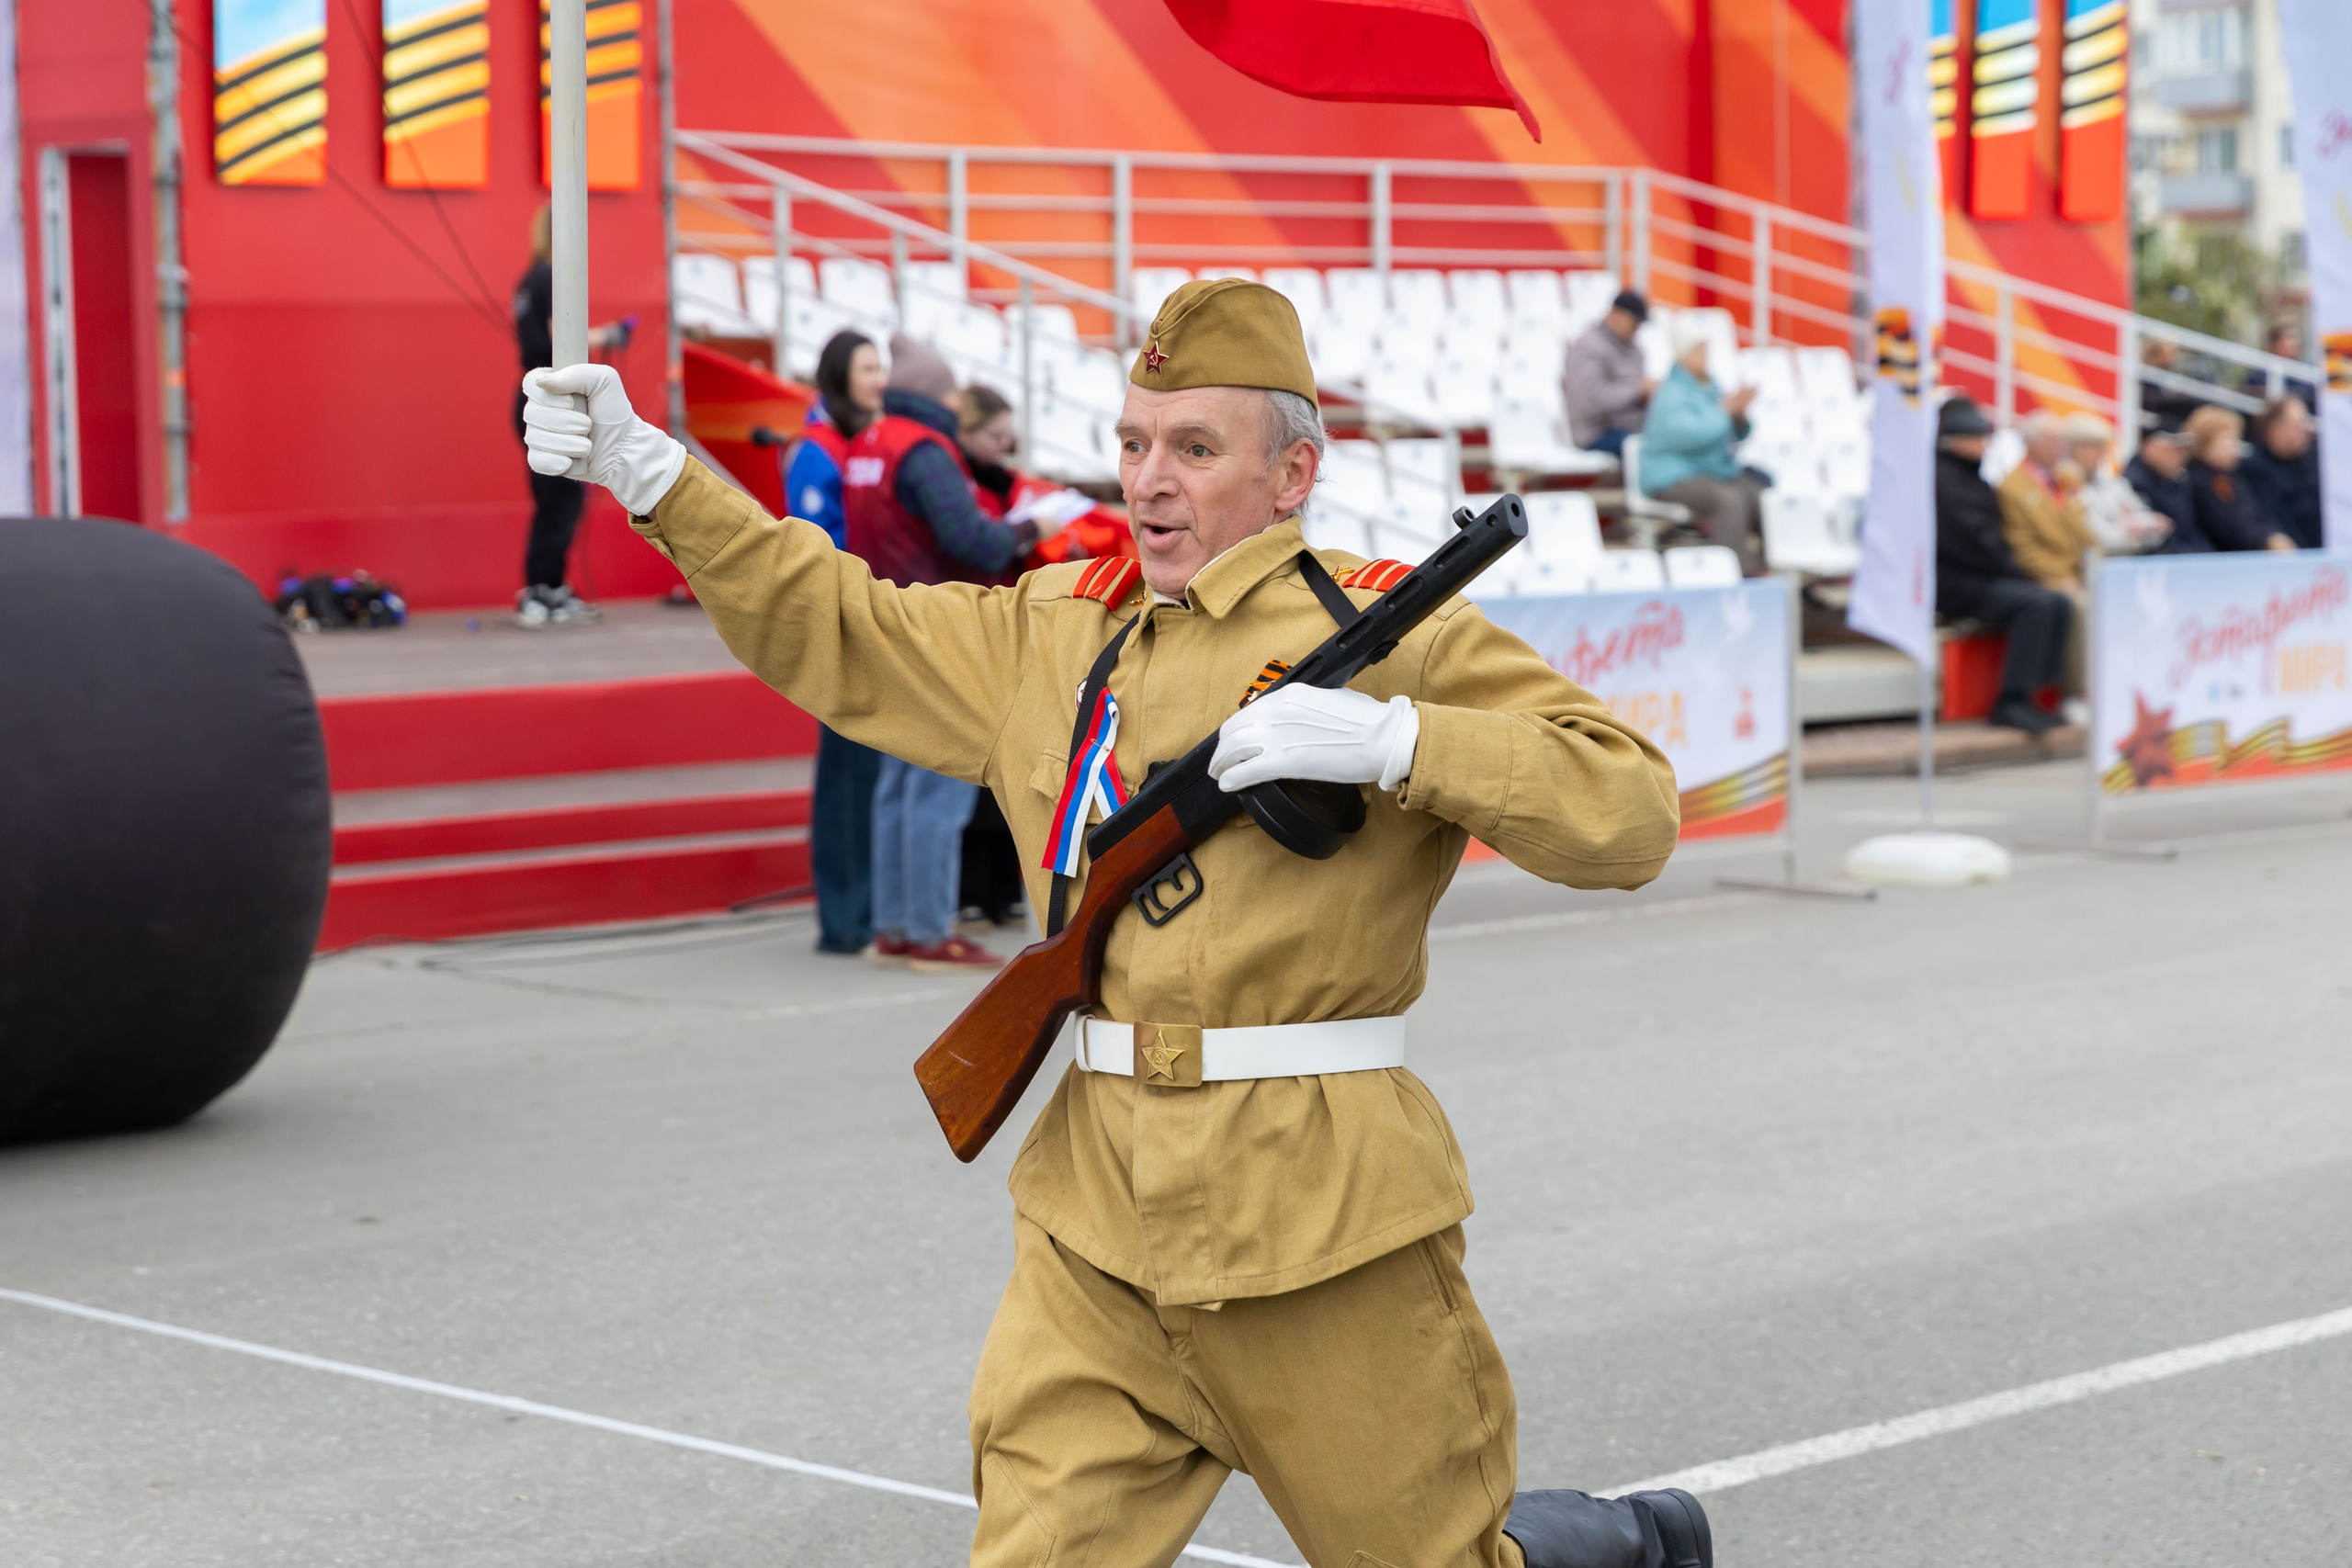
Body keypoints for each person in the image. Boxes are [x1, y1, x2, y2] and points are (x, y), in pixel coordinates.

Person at [522, 278, 1709, 1568]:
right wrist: (656, 474)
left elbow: (1631, 809)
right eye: (1134, 442)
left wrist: (1402, 739)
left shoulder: (1386, 634)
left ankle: (1604, 1547)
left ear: (1292, 471)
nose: (1150, 481)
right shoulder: (1059, 628)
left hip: (1316, 1223)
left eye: (1195, 449)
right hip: (1096, 1225)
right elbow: (843, 627)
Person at [850, 337, 1060, 972]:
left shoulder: (871, 441)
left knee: (896, 785)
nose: (953, 404)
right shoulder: (925, 449)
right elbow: (972, 540)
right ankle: (930, 930)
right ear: (930, 394)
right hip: (934, 627)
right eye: (948, 393)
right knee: (938, 786)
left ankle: (893, 926)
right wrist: (1032, 528)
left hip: (881, 616)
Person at [793, 331, 890, 954]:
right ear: (839, 375)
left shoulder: (863, 441)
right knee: (846, 780)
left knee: (869, 775)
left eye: (881, 366)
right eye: (867, 367)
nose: (880, 377)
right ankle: (844, 917)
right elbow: (814, 548)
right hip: (839, 628)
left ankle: (866, 909)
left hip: (870, 623)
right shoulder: (815, 452)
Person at [509, 205, 627, 628]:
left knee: (557, 498)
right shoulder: (547, 279)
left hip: (536, 396)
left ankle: (549, 587)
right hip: (548, 399)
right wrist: (609, 336)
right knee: (558, 499)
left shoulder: (529, 281)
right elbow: (561, 338)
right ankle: (542, 590)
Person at [1933, 398, 2070, 735]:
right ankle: (2012, 701)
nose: (1986, 444)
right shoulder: (1944, 480)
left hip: (1978, 576)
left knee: (2056, 601)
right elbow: (1972, 546)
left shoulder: (1968, 478)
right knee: (2035, 603)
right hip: (1954, 583)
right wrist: (2015, 572)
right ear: (1957, 441)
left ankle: (2040, 693)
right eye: (1979, 438)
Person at [1638, 317, 1766, 575]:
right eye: (1699, 349)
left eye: (1706, 349)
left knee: (1758, 493)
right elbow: (1692, 436)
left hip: (1709, 471)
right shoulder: (1670, 393)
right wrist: (1726, 410)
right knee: (1727, 500)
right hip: (1671, 475)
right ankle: (1738, 572)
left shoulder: (1710, 386)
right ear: (1684, 354)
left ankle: (1774, 562)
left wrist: (1739, 415)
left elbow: (1732, 434)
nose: (1705, 355)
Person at [2180, 405, 2296, 553]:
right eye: (2227, 442)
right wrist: (2265, 540)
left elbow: (2256, 514)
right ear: (2205, 444)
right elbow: (2225, 526)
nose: (2234, 449)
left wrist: (2273, 535)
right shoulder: (2196, 481)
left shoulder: (2233, 478)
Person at [1560, 289, 1652, 457]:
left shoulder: (1635, 349)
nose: (1637, 328)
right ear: (1615, 315)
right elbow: (1591, 400)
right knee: (1646, 448)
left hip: (1632, 427)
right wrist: (1638, 390)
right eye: (1634, 321)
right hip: (1596, 432)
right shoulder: (1586, 347)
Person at [2060, 412, 2168, 554]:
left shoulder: (2111, 481)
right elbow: (2099, 539)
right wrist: (2138, 530)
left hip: (2124, 562)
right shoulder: (2065, 483)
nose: (2102, 453)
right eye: (2095, 447)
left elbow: (2158, 525)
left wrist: (2138, 528)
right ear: (2074, 449)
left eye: (2103, 447)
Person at [2238, 394, 2323, 550]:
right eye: (2298, 425)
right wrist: (2271, 537)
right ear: (2275, 428)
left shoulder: (2315, 463)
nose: (2306, 431)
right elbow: (2253, 518)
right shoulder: (2252, 469)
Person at [2125, 426, 2195, 547]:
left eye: (2182, 451)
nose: (2179, 456)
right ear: (2150, 447)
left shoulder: (2179, 479)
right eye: (2172, 450)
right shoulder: (2135, 481)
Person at [2137, 335, 2203, 434]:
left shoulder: (2165, 374)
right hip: (2154, 420)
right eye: (2170, 353)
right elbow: (2151, 401)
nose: (2173, 358)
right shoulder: (2145, 375)